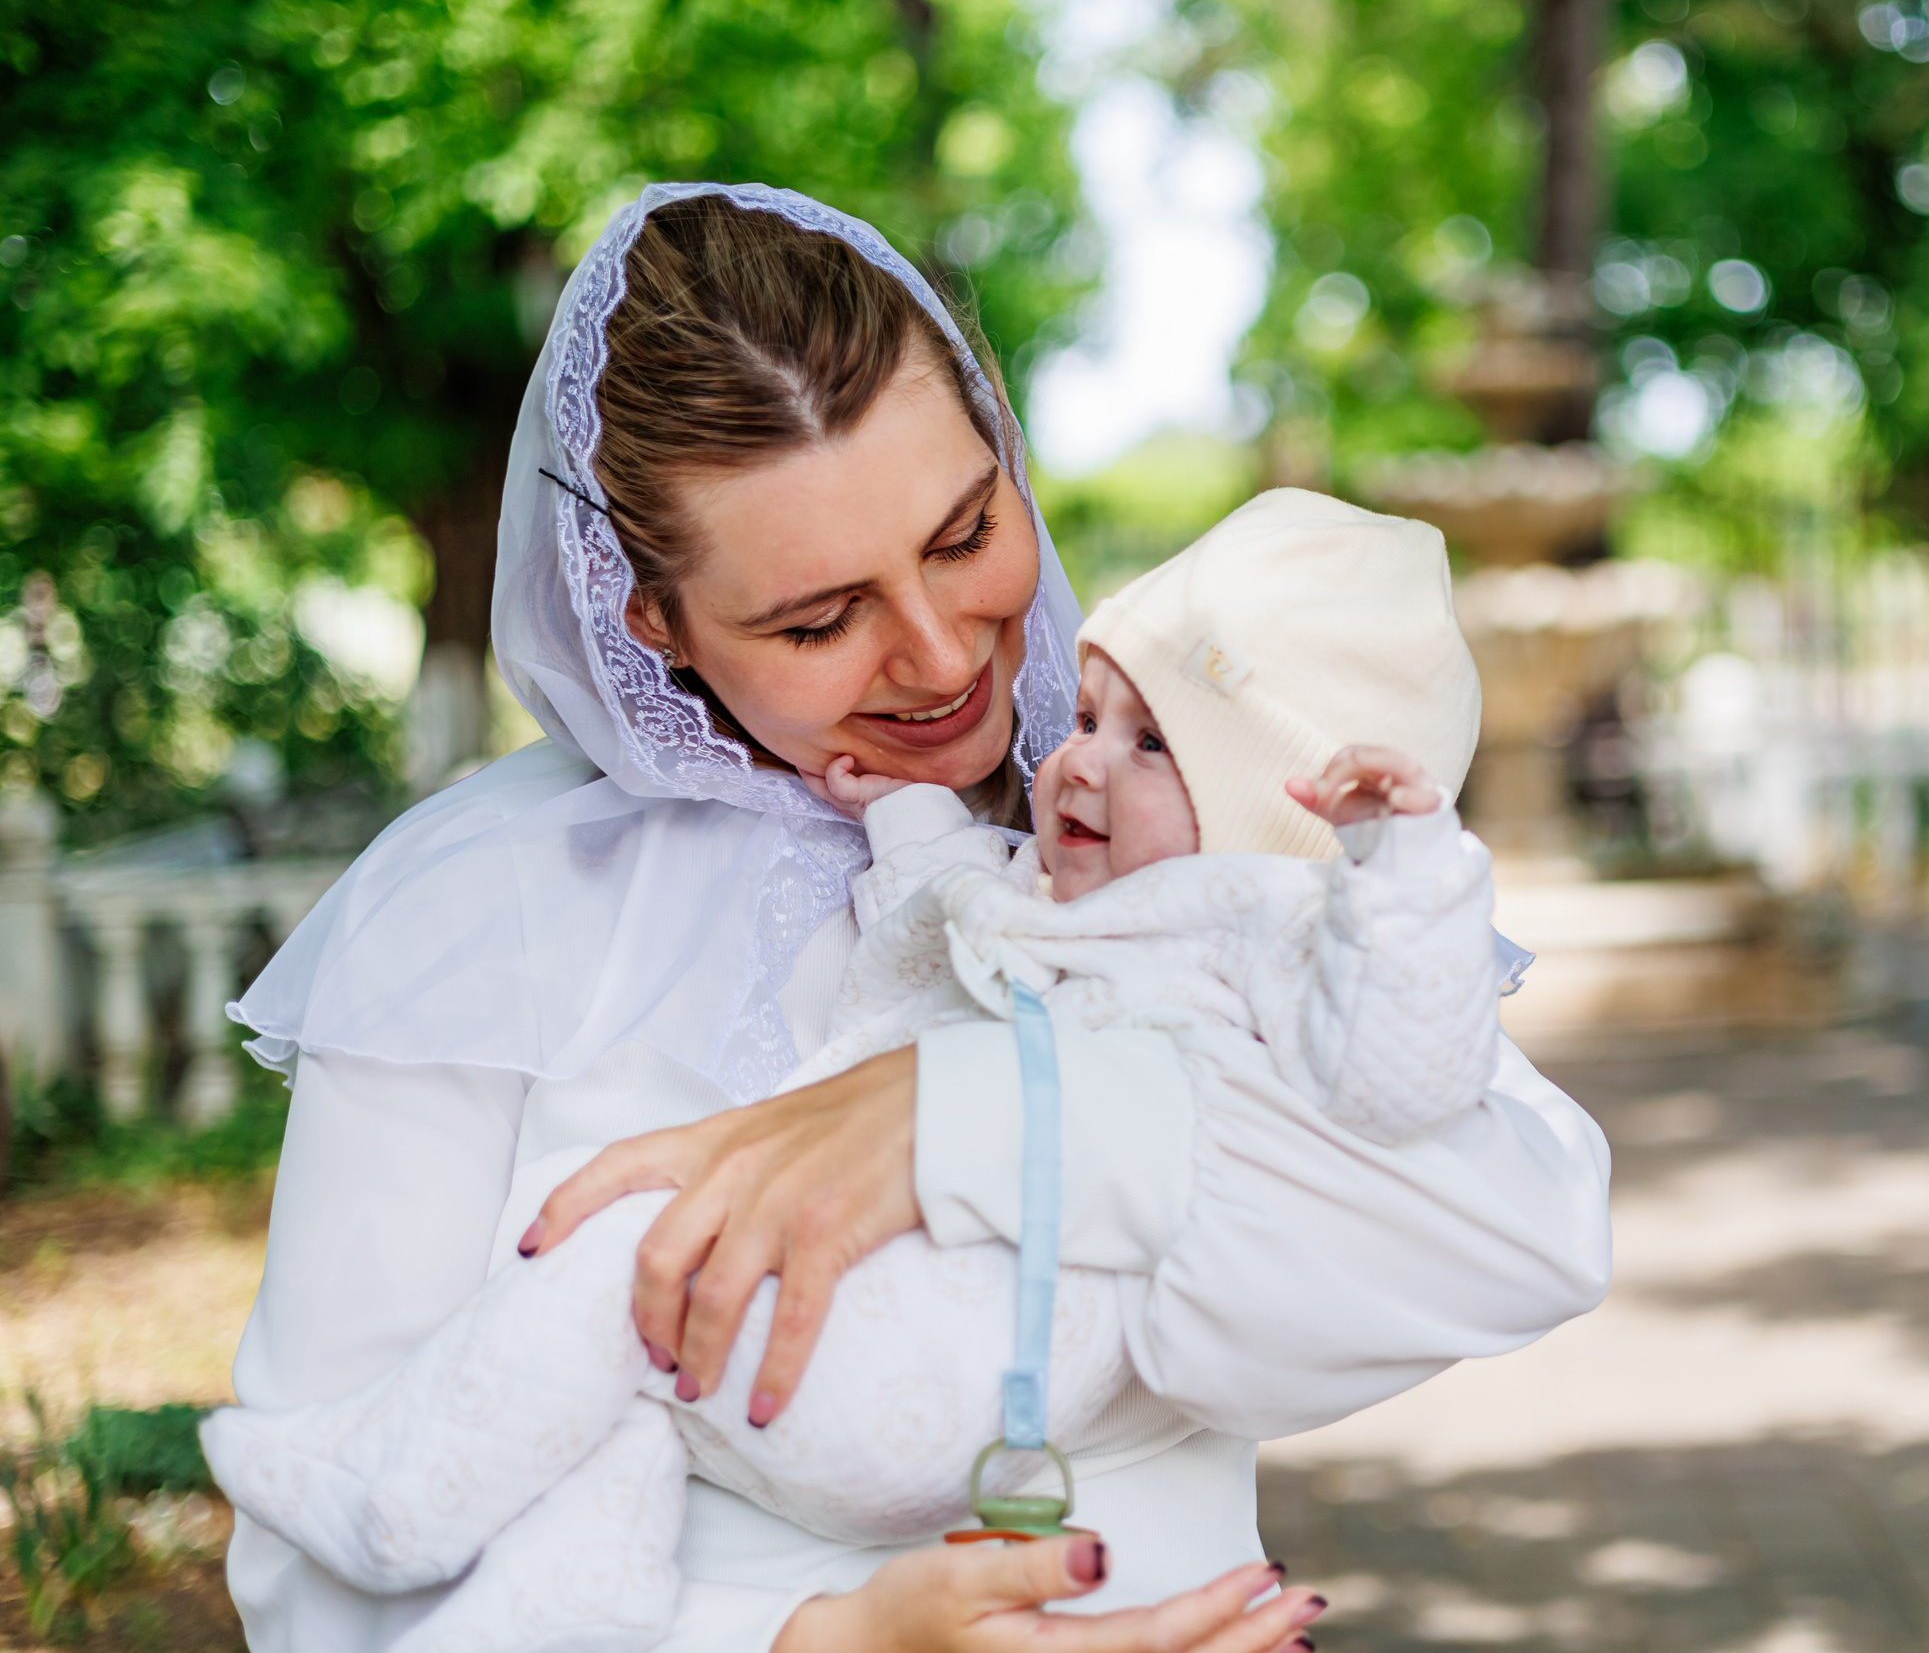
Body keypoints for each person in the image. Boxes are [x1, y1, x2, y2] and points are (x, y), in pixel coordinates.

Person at [224, 184, 1612, 1653]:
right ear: (653, 619)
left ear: (1005, 444)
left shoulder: (1158, 815)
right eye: (817, 622)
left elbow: (1527, 1238)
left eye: (964, 535)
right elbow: (317, 1589)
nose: (946, 657)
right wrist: (820, 1646)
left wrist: (973, 1118)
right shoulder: (478, 914)